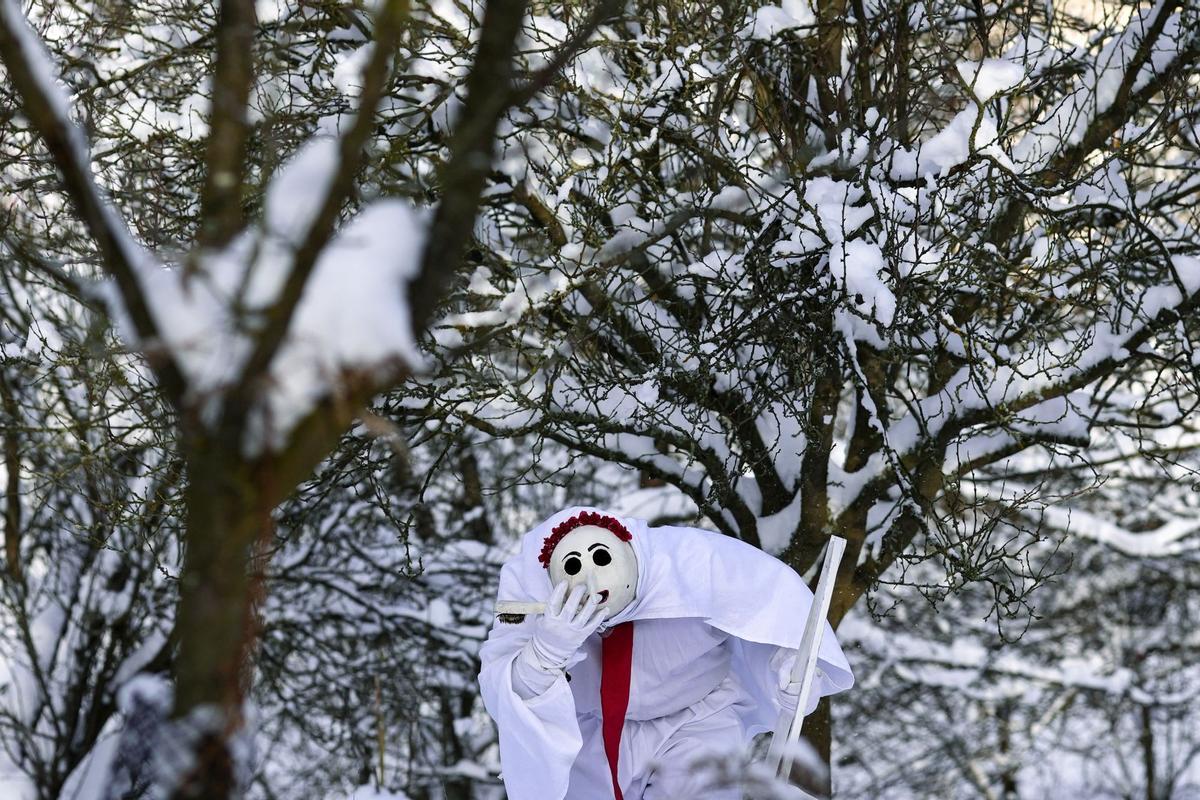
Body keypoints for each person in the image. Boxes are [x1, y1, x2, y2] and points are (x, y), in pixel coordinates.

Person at [478, 506, 854, 800]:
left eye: (601, 559)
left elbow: (760, 615)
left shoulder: (692, 565)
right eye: (575, 566)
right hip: (586, 729)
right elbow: (505, 693)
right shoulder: (531, 589)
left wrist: (786, 672)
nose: (592, 580)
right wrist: (544, 652)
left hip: (695, 719)